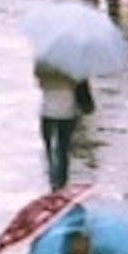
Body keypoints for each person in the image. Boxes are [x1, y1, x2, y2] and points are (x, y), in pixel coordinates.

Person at [33, 60, 82, 191]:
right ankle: (61, 184)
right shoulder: (74, 64)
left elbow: (39, 82)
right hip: (68, 113)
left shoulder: (42, 64)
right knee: (63, 150)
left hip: (47, 113)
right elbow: (80, 87)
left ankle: (53, 184)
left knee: (50, 151)